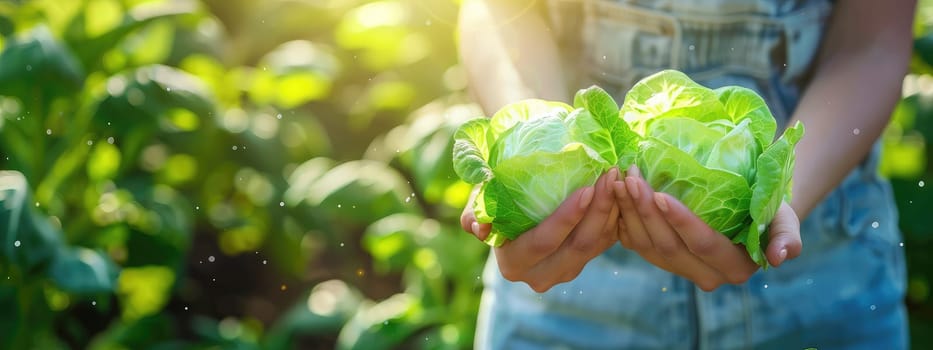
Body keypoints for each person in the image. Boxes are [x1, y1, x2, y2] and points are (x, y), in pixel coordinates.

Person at [457, 0, 915, 349]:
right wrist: (535, 151)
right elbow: (500, 13)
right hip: (568, 302)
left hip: (822, 291)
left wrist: (778, 201)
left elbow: (871, 41)